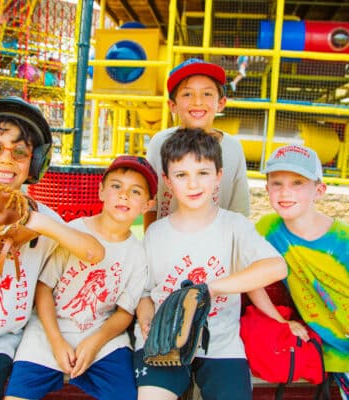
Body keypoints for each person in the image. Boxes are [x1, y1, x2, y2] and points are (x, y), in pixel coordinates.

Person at [133, 128, 307, 400]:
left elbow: (275, 267)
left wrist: (210, 289)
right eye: (181, 175)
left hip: (220, 344)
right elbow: (145, 293)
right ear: (167, 180)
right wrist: (145, 320)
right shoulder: (156, 233)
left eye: (203, 173)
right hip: (164, 342)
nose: (193, 184)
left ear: (219, 176)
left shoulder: (233, 225)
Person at [0, 97, 104, 400]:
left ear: (34, 162)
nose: (7, 159)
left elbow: (93, 252)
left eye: (20, 152)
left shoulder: (42, 216)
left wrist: (33, 221)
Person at [4, 155, 158, 400]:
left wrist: (95, 342)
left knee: (126, 394)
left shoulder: (138, 254)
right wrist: (56, 341)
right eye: (116, 186)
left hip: (100, 333)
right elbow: (43, 289)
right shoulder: (74, 231)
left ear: (148, 205)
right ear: (100, 191)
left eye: (135, 191)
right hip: (49, 328)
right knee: (16, 395)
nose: (124, 195)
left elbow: (124, 312)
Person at [256, 144, 349, 399]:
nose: (285, 191)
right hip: (332, 353)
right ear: (267, 189)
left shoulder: (343, 240)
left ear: (319, 190)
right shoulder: (268, 229)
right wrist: (278, 319)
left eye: (298, 182)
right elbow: (250, 277)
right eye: (277, 183)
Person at [145, 57, 250, 232]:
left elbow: (239, 211)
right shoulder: (160, 143)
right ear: (173, 105)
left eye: (207, 93)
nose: (197, 101)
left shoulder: (233, 148)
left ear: (221, 103)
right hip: (166, 248)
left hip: (215, 251)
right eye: (187, 94)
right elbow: (152, 204)